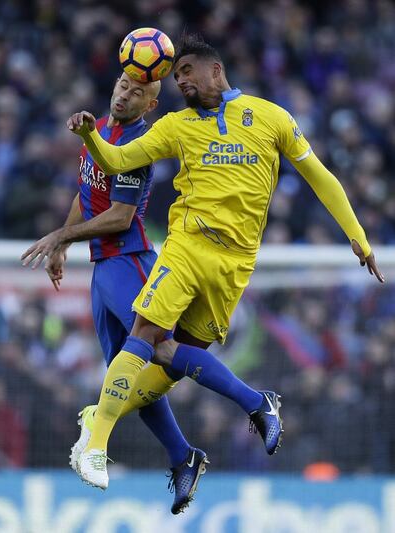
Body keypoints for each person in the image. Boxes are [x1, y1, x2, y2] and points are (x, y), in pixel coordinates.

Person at [43, 33, 385, 489]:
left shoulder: (272, 117)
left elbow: (320, 177)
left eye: (186, 72)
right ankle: (98, 442)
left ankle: (158, 430)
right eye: (175, 74)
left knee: (169, 365)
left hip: (235, 264)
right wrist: (87, 133)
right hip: (185, 248)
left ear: (215, 71)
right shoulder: (175, 126)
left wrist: (358, 237)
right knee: (147, 336)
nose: (180, 81)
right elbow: (116, 159)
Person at [21, 72, 210, 514]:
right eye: (123, 86)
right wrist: (66, 242)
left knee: (160, 350)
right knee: (123, 378)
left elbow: (121, 218)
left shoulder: (135, 148)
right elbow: (86, 192)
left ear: (151, 105)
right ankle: (184, 456)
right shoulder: (101, 130)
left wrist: (57, 237)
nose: (125, 93)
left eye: (137, 91)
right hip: (102, 268)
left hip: (128, 260)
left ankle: (255, 402)